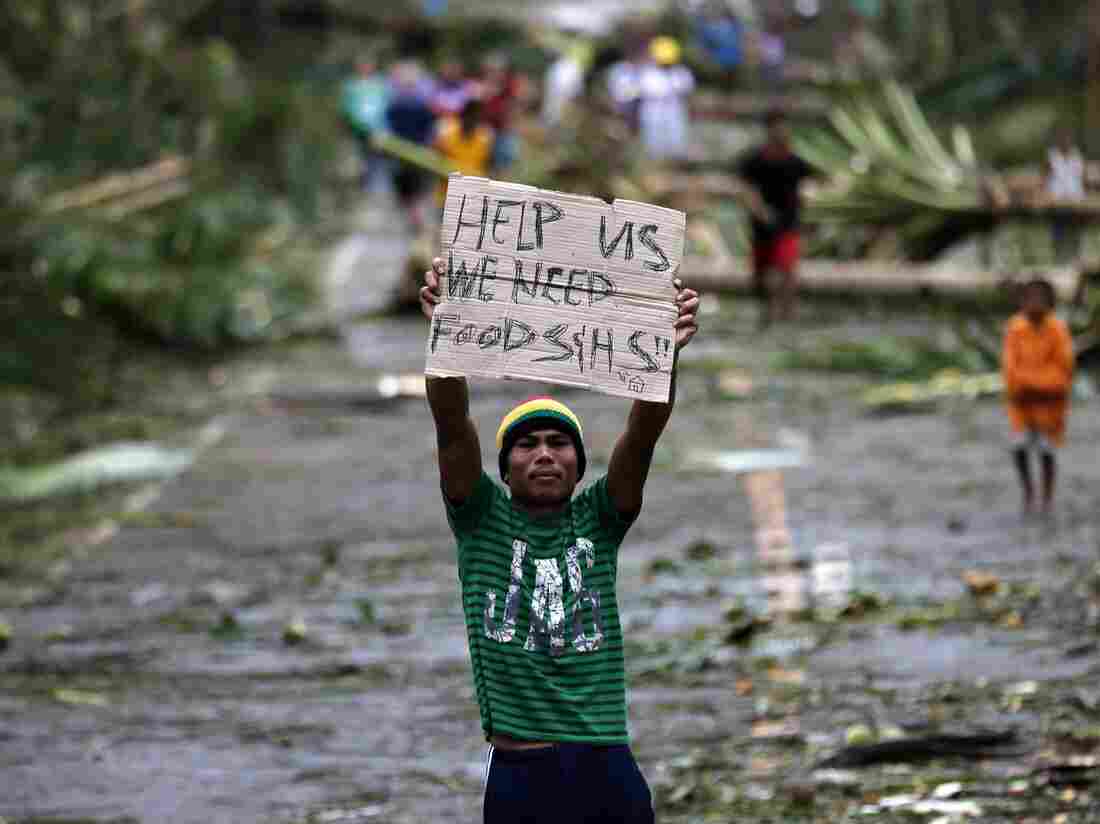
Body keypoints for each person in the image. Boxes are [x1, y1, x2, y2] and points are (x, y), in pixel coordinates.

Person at [418, 258, 700, 823]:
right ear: (502, 468)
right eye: (527, 445)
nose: (544, 453)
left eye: (558, 443)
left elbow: (642, 435)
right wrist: (447, 335)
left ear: (578, 464)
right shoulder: (480, 520)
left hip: (606, 767)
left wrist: (661, 357)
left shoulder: (600, 518)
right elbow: (452, 423)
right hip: (523, 778)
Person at [736, 107, 817, 327]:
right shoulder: (754, 161)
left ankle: (788, 318)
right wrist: (759, 211)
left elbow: (809, 187)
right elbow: (745, 190)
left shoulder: (797, 162)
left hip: (788, 224)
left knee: (787, 273)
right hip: (762, 226)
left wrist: (809, 211)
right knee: (762, 277)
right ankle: (767, 316)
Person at [1002, 277, 1075, 517]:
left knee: (1047, 451)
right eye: (1029, 298)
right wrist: (1026, 385)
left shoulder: (1058, 330)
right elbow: (1010, 368)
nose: (1034, 304)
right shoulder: (1015, 328)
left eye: (1039, 299)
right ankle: (1028, 492)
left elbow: (1063, 371)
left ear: (1049, 302)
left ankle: (1047, 497)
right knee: (1019, 447)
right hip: (1022, 405)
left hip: (1049, 407)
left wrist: (1035, 384)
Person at [385, 61, 437, 228]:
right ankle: (413, 216)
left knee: (418, 186)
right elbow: (389, 126)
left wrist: (427, 146)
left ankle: (417, 217)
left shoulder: (422, 105)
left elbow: (429, 128)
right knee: (403, 187)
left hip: (418, 152)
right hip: (400, 152)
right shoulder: (394, 104)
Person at [637, 37, 695, 161]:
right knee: (653, 137)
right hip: (653, 108)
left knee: (676, 136)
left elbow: (687, 88)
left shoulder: (680, 72)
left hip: (674, 108)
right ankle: (655, 162)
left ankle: (676, 162)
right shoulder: (647, 72)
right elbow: (644, 89)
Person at [340, 58, 391, 192]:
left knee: (378, 156)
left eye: (368, 65)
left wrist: (382, 128)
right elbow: (347, 108)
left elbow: (387, 105)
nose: (365, 68)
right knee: (362, 157)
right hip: (359, 130)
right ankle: (364, 185)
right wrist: (358, 125)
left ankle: (378, 185)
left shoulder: (381, 84)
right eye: (362, 65)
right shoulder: (351, 85)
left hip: (379, 129)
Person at [433, 99, 494, 206]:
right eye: (471, 116)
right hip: (446, 198)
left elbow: (488, 168)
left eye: (477, 118)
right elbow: (436, 163)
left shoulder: (485, 140)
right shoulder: (446, 136)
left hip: (472, 201)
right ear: (464, 116)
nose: (473, 121)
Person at [1044, 128, 1087, 263]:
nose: (1066, 141)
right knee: (1059, 231)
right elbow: (1044, 178)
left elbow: (1082, 178)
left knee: (1076, 232)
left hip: (1075, 200)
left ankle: (1077, 257)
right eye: (1063, 138)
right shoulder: (1051, 156)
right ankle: (1059, 258)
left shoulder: (1077, 156)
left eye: (1068, 139)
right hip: (1057, 201)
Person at [479, 54, 526, 174]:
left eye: (497, 70)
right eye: (491, 70)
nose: (494, 73)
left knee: (504, 163)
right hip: (487, 130)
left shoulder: (510, 86)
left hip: (504, 132)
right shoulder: (483, 86)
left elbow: (515, 109)